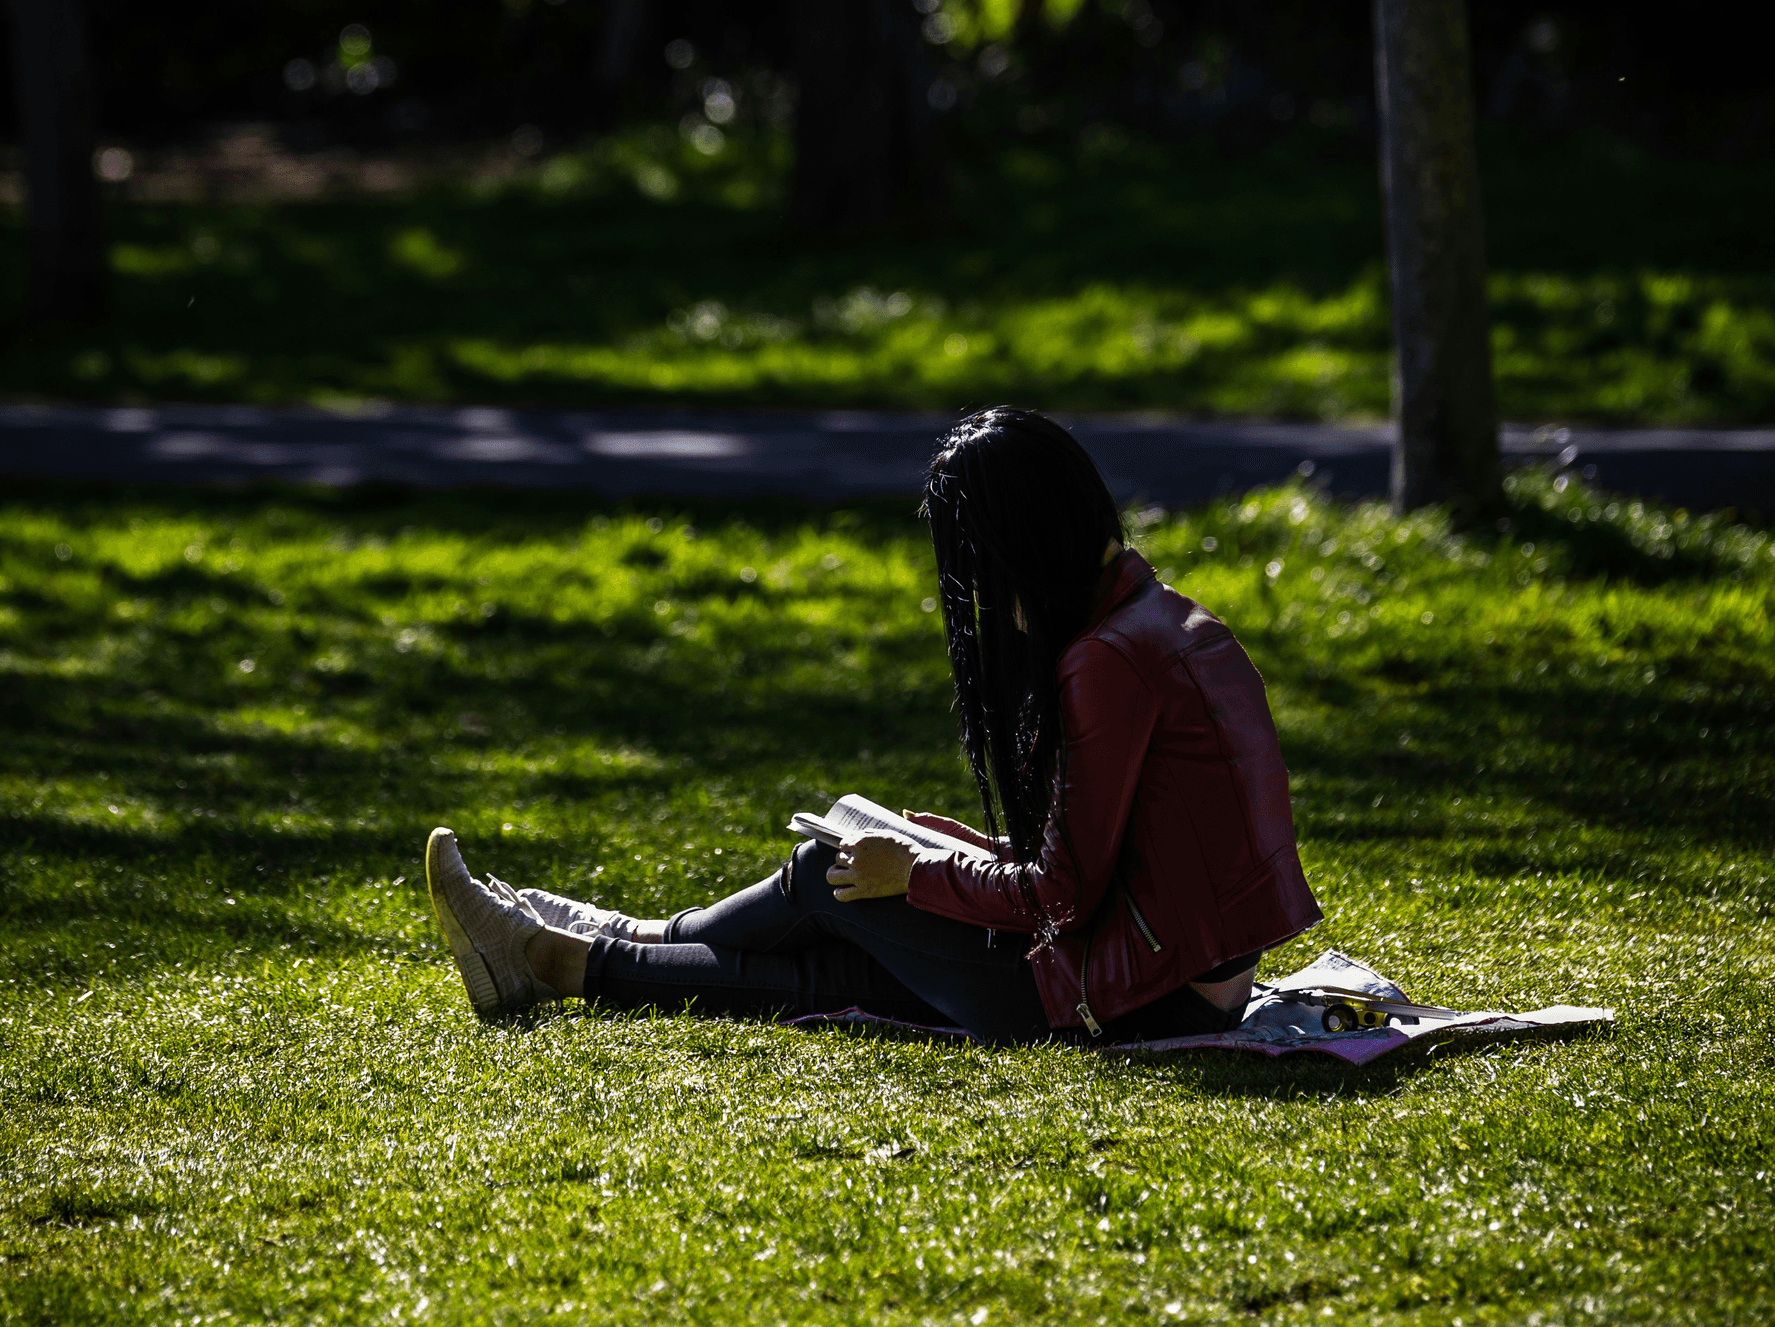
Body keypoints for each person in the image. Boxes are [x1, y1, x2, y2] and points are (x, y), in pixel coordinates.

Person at [424, 406, 1322, 1045]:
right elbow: (1114, 856)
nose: (977, 602)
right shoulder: (1160, 618)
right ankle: (565, 956)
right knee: (846, 959)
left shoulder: (1106, 661)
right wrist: (962, 852)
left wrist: (921, 874)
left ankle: (589, 945)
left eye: (975, 572)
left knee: (830, 874)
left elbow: (1063, 896)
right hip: (1181, 979)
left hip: (1130, 995)